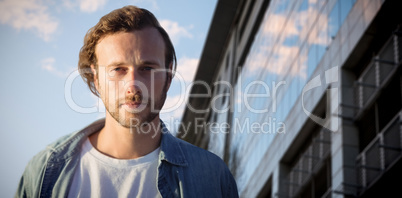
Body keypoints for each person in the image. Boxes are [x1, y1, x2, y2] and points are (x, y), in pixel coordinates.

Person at [15, 5, 238, 198]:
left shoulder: (212, 176)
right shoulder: (45, 171)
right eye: (118, 69)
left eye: (147, 68)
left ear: (168, 78)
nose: (133, 85)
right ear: (97, 79)